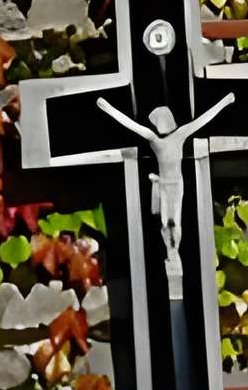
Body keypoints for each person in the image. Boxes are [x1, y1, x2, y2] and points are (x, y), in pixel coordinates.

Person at [97, 91, 235, 294]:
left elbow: (203, 120)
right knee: (165, 223)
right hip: (163, 185)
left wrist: (225, 101)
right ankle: (171, 253)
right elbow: (132, 125)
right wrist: (107, 108)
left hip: (176, 186)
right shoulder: (155, 140)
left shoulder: (179, 135)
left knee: (174, 222)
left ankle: (174, 252)